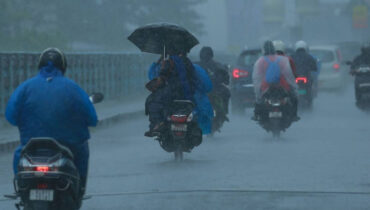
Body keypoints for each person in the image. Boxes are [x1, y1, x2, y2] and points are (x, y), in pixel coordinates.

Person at [5, 48, 97, 198]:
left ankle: (21, 188)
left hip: (32, 145)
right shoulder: (73, 88)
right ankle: (78, 190)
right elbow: (92, 119)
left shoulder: (25, 88)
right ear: (63, 66)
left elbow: (11, 117)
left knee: (19, 154)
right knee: (82, 151)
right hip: (69, 145)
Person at [144, 52, 197, 137]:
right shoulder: (187, 62)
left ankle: (157, 123)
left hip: (173, 91)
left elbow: (161, 75)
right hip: (187, 93)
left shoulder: (169, 61)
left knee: (152, 101)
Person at [252, 41, 299, 121]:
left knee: (258, 101)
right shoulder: (282, 59)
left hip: (266, 86)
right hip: (282, 85)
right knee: (294, 97)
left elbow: (257, 77)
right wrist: (293, 85)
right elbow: (289, 73)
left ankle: (256, 115)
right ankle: (294, 115)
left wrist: (258, 90)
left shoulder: (260, 61)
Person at [196, 47, 230, 130]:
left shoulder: (196, 65)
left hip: (209, 91)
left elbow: (226, 77)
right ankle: (224, 113)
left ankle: (223, 113)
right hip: (210, 91)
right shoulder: (217, 65)